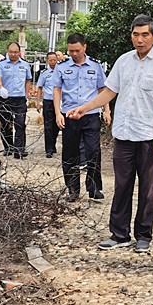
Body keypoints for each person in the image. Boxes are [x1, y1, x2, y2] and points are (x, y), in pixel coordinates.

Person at [67, 15, 153, 254]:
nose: (139, 39)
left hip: (149, 136)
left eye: (145, 34)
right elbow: (109, 92)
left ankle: (143, 235)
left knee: (147, 188)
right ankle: (119, 234)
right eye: (136, 34)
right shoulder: (123, 61)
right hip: (124, 135)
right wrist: (84, 108)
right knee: (121, 185)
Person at [53, 33, 111, 202]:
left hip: (91, 115)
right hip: (70, 115)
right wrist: (58, 113)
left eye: (77, 50)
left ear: (84, 47)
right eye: (71, 51)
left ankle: (93, 187)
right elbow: (57, 89)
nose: (74, 54)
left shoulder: (95, 65)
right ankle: (73, 189)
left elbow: (103, 89)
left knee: (93, 151)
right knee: (70, 153)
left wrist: (106, 110)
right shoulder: (62, 66)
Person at [0, 42, 32, 158]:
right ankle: (8, 147)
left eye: (15, 52)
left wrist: (26, 96)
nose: (13, 54)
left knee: (20, 124)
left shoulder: (25, 65)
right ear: (7, 52)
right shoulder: (1, 64)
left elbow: (28, 80)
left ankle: (19, 149)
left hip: (20, 99)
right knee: (5, 124)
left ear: (19, 52)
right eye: (11, 52)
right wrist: (1, 87)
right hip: (5, 98)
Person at [36, 52, 60, 158]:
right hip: (48, 101)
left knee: (57, 125)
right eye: (51, 60)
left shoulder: (61, 72)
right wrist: (38, 102)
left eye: (54, 60)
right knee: (48, 125)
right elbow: (40, 87)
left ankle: (53, 144)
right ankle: (49, 149)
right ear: (47, 61)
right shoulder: (44, 73)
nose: (53, 62)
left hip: (59, 102)